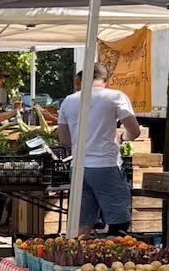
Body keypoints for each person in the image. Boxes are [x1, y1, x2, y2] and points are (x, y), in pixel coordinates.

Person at [57, 61, 142, 234]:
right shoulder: (115, 97)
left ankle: (76, 258)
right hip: (105, 165)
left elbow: (65, 140)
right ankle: (114, 260)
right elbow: (134, 131)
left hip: (78, 167)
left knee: (81, 223)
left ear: (83, 79)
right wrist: (122, 138)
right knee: (118, 223)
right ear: (106, 80)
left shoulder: (68, 101)